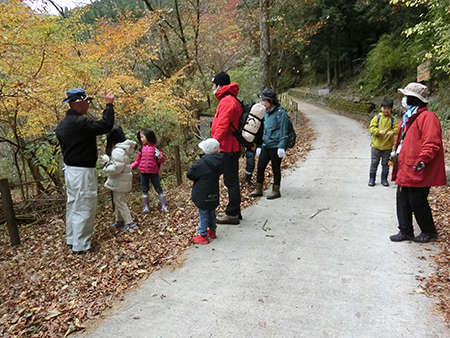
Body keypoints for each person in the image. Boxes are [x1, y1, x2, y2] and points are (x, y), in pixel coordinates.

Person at [56, 88, 114, 255]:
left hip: (70, 171)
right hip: (81, 172)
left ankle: (73, 239)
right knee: (84, 205)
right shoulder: (79, 123)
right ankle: (81, 245)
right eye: (86, 102)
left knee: (73, 205)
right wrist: (109, 106)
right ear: (79, 103)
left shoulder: (63, 124)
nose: (88, 105)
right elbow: (105, 125)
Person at [389, 82, 447, 243]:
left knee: (417, 200)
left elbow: (432, 142)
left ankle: (429, 231)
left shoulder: (427, 117)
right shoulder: (409, 116)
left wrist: (423, 159)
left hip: (417, 166)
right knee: (402, 198)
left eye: (407, 97)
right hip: (405, 165)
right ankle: (405, 230)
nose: (404, 99)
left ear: (415, 99)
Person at [210, 71, 243, 224]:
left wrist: (212, 144)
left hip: (227, 147)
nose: (213, 88)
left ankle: (232, 213)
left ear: (220, 85)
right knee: (231, 180)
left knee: (230, 181)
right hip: (229, 146)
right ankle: (235, 210)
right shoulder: (228, 99)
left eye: (214, 85)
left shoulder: (227, 101)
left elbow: (222, 125)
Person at [248, 88, 288, 200]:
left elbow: (284, 131)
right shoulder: (264, 113)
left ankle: (276, 190)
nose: (262, 103)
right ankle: (258, 189)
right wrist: (259, 145)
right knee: (260, 167)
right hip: (266, 145)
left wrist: (282, 146)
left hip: (276, 145)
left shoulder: (281, 113)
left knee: (275, 168)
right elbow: (262, 130)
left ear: (271, 101)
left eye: (264, 100)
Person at [187, 138, 223, 244]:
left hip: (202, 193)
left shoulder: (201, 163)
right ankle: (212, 230)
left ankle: (203, 235)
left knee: (203, 214)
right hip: (213, 193)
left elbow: (190, 173)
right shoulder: (219, 161)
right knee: (211, 211)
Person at [102, 125, 137, 232]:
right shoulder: (123, 149)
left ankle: (130, 222)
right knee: (118, 201)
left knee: (120, 202)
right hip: (121, 180)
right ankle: (119, 220)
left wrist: (107, 163)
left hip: (119, 180)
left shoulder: (117, 151)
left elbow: (117, 168)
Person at [131, 127, 167, 212]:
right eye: (141, 137)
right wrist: (129, 167)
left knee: (158, 188)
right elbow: (137, 161)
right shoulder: (141, 149)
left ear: (148, 136)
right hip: (143, 173)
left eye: (143, 136)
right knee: (144, 189)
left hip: (154, 172)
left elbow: (162, 160)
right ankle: (146, 207)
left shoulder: (156, 148)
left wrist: (160, 156)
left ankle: (164, 205)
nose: (141, 139)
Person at [368, 98, 399, 187]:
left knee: (386, 163)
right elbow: (371, 128)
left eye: (388, 109)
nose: (386, 110)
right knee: (374, 162)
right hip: (376, 146)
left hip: (387, 146)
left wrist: (393, 132)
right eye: (384, 108)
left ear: (391, 109)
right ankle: (372, 178)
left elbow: (398, 128)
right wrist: (378, 131)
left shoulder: (393, 119)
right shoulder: (377, 118)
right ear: (381, 108)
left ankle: (384, 179)